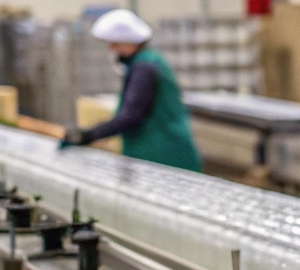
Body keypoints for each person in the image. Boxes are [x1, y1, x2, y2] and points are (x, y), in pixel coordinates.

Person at [61, 9, 202, 172]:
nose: (112, 50)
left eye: (115, 44)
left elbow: (131, 116)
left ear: (130, 42)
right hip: (155, 154)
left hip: (161, 156)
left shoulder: (144, 67)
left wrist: (88, 135)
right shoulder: (147, 62)